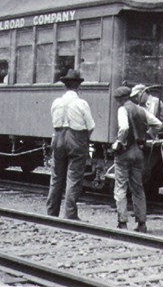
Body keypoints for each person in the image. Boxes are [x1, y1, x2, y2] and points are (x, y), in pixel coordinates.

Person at [112, 85, 162, 232]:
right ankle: (141, 223)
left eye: (117, 100)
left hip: (125, 152)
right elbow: (158, 124)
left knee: (120, 187)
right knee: (138, 188)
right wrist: (147, 135)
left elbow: (124, 128)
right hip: (139, 153)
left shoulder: (122, 109)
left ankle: (122, 222)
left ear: (121, 99)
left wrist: (119, 142)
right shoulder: (141, 110)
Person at [46, 69, 95, 220]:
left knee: (56, 178)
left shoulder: (56, 102)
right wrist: (83, 140)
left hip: (58, 137)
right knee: (73, 178)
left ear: (65, 85)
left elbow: (54, 122)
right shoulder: (81, 103)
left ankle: (51, 213)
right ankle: (70, 214)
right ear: (78, 86)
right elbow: (90, 126)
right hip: (76, 138)